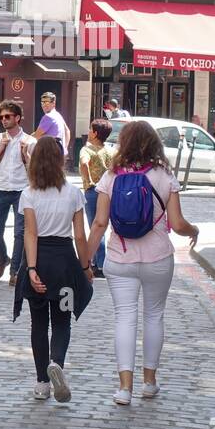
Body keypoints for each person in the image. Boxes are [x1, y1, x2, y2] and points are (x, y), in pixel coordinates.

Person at [85, 120, 200, 406]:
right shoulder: (164, 175)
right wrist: (194, 231)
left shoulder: (111, 177)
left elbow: (99, 223)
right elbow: (177, 223)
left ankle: (124, 388)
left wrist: (84, 260)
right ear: (153, 144)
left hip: (120, 257)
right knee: (154, 316)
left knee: (124, 318)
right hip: (158, 257)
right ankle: (149, 383)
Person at [15, 136, 93, 404]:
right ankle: (56, 362)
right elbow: (80, 236)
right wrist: (85, 267)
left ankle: (41, 383)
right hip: (64, 263)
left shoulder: (29, 194)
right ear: (60, 161)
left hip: (40, 260)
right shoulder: (74, 193)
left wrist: (32, 269)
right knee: (62, 320)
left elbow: (30, 233)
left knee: (38, 324)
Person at [0, 99, 36, 286]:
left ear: (18, 118)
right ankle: (3, 258)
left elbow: (35, 171)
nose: (3, 120)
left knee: (20, 233)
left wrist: (26, 156)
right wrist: (1, 149)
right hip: (0, 188)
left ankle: (15, 271)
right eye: (1, 116)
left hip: (22, 190)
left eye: (7, 117)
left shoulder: (30, 141)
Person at [78, 119, 113, 277]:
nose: (89, 132)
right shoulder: (109, 151)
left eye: (91, 129)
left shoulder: (87, 150)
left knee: (95, 227)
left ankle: (99, 264)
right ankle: (101, 262)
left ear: (96, 133)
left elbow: (84, 164)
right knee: (103, 226)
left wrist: (90, 180)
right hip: (108, 192)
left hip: (92, 191)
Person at [32, 91, 69, 156]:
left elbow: (36, 136)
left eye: (46, 102)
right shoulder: (58, 115)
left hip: (49, 154)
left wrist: (26, 138)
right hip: (60, 154)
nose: (43, 105)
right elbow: (67, 131)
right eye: (42, 102)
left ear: (53, 103)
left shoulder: (48, 117)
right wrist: (64, 148)